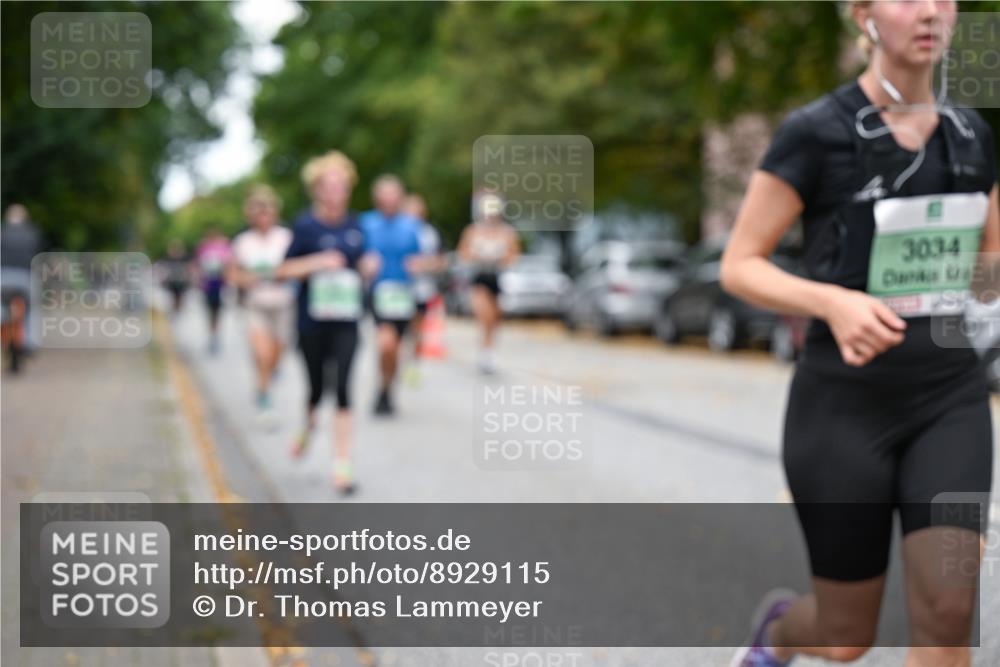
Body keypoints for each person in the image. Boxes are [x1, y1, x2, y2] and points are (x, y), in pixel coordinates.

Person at [721, 2, 998, 666]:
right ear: (862, 15)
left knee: (949, 613)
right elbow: (739, 264)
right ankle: (779, 632)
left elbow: (989, 268)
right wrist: (833, 303)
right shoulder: (816, 133)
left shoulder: (972, 136)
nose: (930, 11)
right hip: (843, 405)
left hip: (949, 400)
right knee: (845, 636)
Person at [277, 151, 377, 494]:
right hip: (312, 322)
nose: (336, 192)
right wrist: (318, 262)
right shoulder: (305, 225)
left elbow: (362, 263)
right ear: (316, 190)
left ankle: (342, 466)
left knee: (345, 389)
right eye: (329, 186)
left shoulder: (356, 225)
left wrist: (368, 267)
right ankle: (307, 427)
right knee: (317, 390)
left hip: (346, 321)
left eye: (342, 186)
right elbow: (283, 270)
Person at [227, 185, 294, 417]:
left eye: (267, 211)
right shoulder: (243, 242)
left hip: (283, 305)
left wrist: (283, 274)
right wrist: (248, 279)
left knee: (276, 354)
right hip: (255, 305)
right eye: (259, 212)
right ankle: (264, 394)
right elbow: (232, 274)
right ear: (251, 215)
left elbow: (297, 266)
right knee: (262, 353)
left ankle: (266, 377)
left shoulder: (286, 238)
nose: (263, 216)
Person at [360, 175, 424, 416]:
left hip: (403, 294)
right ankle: (383, 388)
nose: (388, 199)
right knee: (385, 344)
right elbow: (353, 257)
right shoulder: (365, 224)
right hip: (378, 293)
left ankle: (386, 389)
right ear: (376, 197)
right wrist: (363, 265)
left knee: (394, 348)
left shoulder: (411, 226)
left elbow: (427, 259)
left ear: (400, 197)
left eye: (393, 194)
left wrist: (420, 264)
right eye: (384, 194)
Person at [457, 192, 520, 374]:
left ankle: (488, 348)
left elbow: (513, 256)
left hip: (498, 278)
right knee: (484, 314)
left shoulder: (507, 232)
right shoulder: (473, 231)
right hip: (479, 277)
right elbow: (463, 253)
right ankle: (485, 351)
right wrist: (479, 255)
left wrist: (499, 257)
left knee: (494, 318)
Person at [401, 193, 445, 382]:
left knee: (416, 331)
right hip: (396, 290)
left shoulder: (429, 233)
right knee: (398, 331)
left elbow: (440, 261)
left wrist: (423, 265)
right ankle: (395, 364)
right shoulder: (396, 229)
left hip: (421, 289)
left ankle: (412, 365)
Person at [1, 204, 42, 369]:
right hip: (25, 278)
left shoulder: (2, 232)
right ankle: (30, 342)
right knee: (33, 309)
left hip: (3, 278)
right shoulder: (33, 233)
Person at [194, 227, 231, 354]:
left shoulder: (224, 248)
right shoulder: (204, 248)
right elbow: (199, 265)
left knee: (217, 312)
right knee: (210, 312)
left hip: (221, 286)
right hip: (208, 286)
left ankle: (215, 334)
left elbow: (229, 265)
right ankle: (212, 334)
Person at [160, 239, 191, 316]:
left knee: (180, 295)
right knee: (173, 296)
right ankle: (175, 310)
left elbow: (189, 268)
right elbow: (164, 269)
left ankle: (179, 310)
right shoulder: (167, 258)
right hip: (172, 280)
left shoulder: (184, 258)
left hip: (181, 280)